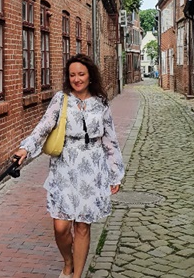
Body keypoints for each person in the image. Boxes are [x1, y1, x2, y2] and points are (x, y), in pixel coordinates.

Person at [14, 54, 125, 278]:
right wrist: (26, 148)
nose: (77, 79)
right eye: (72, 75)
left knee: (82, 226)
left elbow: (110, 141)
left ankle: (76, 275)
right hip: (64, 167)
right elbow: (43, 127)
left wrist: (115, 174)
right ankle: (68, 261)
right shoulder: (61, 99)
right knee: (61, 227)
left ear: (90, 76)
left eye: (81, 74)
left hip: (92, 169)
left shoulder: (101, 103)